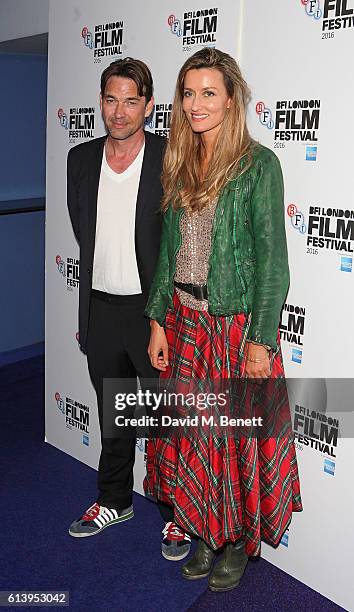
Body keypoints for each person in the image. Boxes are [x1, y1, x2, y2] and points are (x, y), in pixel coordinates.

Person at [144, 47, 302, 592]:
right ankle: (205, 532)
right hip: (186, 323)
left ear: (232, 99)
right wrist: (159, 319)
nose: (195, 104)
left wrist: (260, 342)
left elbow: (273, 262)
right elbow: (168, 252)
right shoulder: (180, 160)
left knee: (231, 439)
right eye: (188, 93)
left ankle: (234, 540)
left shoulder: (260, 165)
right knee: (194, 435)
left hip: (234, 329)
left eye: (208, 93)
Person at [66, 58, 191, 559]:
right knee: (114, 413)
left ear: (149, 105)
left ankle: (180, 514)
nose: (119, 112)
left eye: (131, 101)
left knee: (166, 419)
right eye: (110, 99)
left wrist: (159, 313)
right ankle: (114, 499)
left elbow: (179, 240)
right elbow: (83, 230)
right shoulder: (80, 158)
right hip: (100, 309)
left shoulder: (168, 157)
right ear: (101, 102)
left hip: (152, 313)